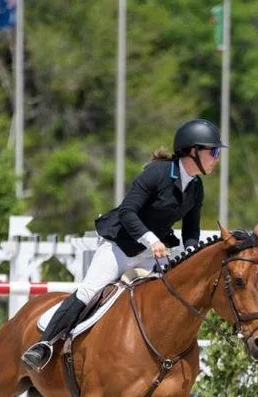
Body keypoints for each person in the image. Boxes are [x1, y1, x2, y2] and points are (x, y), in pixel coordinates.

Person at [20, 118, 226, 370]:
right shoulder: (156, 173)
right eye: (213, 152)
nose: (216, 159)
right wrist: (151, 240)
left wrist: (191, 253)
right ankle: (44, 345)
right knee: (89, 291)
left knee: (170, 298)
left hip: (153, 256)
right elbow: (128, 211)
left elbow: (191, 229)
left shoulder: (196, 187)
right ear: (193, 151)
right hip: (121, 247)